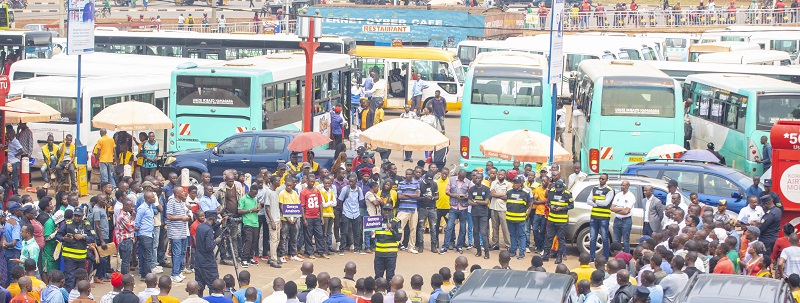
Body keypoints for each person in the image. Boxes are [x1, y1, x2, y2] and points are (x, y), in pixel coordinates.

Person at [56, 207, 95, 291]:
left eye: (79, 216)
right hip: (69, 258)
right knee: (70, 279)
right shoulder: (67, 224)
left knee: (81, 280)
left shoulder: (86, 225)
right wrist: (64, 239)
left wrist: (83, 237)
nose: (77, 218)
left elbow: (93, 237)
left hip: (81, 258)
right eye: (75, 216)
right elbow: (58, 235)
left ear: (83, 216)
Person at [543, 180, 573, 264]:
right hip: (551, 219)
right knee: (549, 237)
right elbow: (548, 202)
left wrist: (562, 208)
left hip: (562, 220)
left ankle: (559, 257)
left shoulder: (568, 193)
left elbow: (571, 205)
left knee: (561, 239)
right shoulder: (552, 191)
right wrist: (550, 206)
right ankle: (546, 255)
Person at [441, 169, 471, 254]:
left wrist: (465, 196)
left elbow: (471, 194)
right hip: (453, 207)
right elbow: (447, 192)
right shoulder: (451, 179)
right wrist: (455, 195)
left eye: (463, 177)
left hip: (463, 208)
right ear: (458, 174)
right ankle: (445, 246)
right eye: (460, 176)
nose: (461, 178)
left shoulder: (468, 182)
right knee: (449, 227)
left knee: (462, 228)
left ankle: (459, 246)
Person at [588, 174, 615, 261]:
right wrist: (598, 203)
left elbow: (606, 203)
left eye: (603, 179)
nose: (601, 180)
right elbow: (588, 200)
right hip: (594, 217)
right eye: (600, 178)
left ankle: (605, 258)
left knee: (604, 238)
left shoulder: (609, 190)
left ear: (606, 180)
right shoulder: (594, 188)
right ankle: (592, 257)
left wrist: (595, 201)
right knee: (592, 238)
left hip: (604, 218)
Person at [505, 176, 531, 259]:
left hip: (520, 219)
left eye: (517, 183)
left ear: (521, 183)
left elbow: (529, 204)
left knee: (522, 235)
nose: (515, 184)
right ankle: (513, 251)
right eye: (514, 182)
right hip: (510, 218)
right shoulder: (509, 192)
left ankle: (521, 252)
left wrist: (523, 211)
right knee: (512, 235)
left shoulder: (525, 192)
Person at [396, 169, 420, 254]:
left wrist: (406, 194)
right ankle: (395, 245)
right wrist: (412, 195)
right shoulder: (401, 184)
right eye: (407, 174)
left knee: (413, 229)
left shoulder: (416, 183)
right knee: (398, 228)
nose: (408, 176)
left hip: (414, 209)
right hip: (403, 209)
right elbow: (399, 197)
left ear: (412, 175)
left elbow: (417, 195)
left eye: (409, 174)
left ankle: (411, 247)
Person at [374, 203, 401, 279]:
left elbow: (398, 237)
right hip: (379, 253)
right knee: (378, 276)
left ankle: (389, 291)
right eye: (385, 210)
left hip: (390, 254)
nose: (386, 212)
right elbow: (373, 238)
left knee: (390, 277)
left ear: (392, 211)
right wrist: (372, 234)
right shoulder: (377, 221)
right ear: (382, 210)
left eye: (389, 210)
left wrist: (391, 230)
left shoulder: (396, 222)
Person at [468, 173, 491, 259]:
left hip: (483, 214)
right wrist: (479, 202)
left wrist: (475, 201)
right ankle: (478, 251)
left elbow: (486, 202)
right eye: (475, 178)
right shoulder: (471, 189)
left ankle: (486, 252)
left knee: (483, 232)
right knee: (475, 232)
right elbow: (469, 202)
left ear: (482, 179)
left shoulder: (486, 189)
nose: (477, 179)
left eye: (479, 178)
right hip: (474, 214)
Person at [490, 170, 511, 251]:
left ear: (505, 175)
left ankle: (508, 245)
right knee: (495, 227)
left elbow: (507, 196)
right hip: (493, 207)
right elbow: (492, 194)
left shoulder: (508, 184)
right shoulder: (493, 183)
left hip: (503, 208)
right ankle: (495, 244)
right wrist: (502, 195)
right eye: (499, 174)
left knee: (505, 227)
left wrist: (497, 195)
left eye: (502, 175)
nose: (500, 176)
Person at [611, 181, 635, 253]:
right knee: (616, 241)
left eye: (624, 185)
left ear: (628, 186)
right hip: (617, 219)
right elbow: (612, 208)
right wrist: (621, 209)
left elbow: (626, 212)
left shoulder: (631, 196)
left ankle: (626, 258)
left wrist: (616, 210)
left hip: (626, 221)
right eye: (621, 185)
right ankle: (617, 257)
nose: (622, 187)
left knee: (626, 241)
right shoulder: (618, 195)